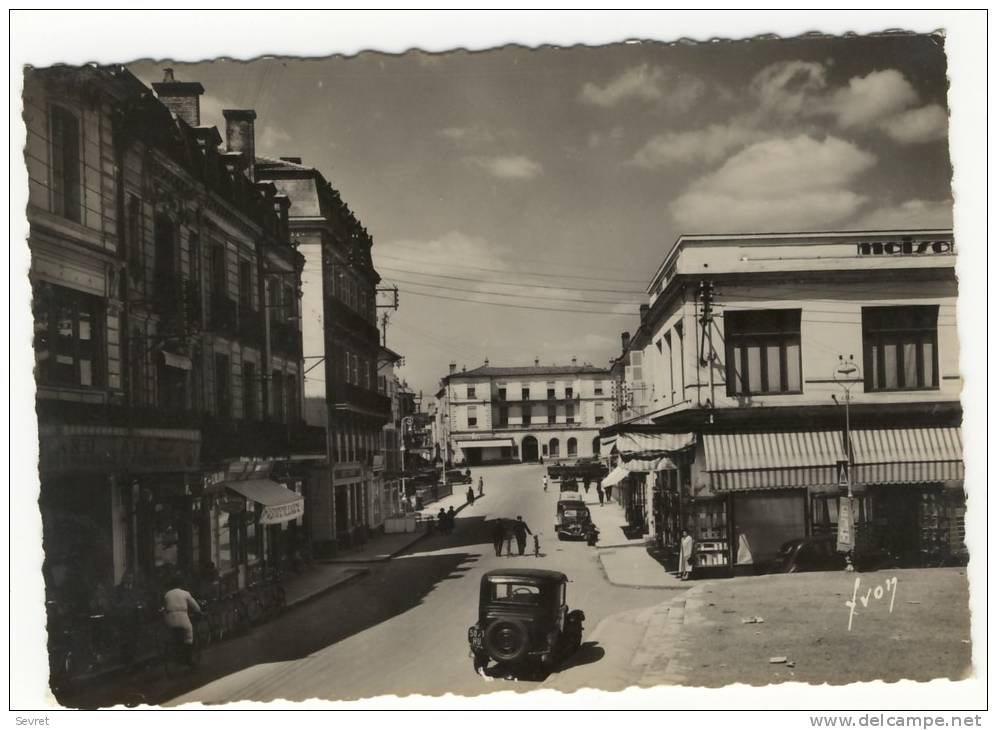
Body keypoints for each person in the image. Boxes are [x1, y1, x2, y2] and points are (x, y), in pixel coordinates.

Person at [162, 576, 202, 657]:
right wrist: (199, 611)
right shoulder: (185, 593)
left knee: (174, 634)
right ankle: (188, 656)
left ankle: (176, 651)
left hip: (170, 618)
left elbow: (165, 607)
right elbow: (195, 605)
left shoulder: (167, 595)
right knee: (189, 633)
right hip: (182, 616)